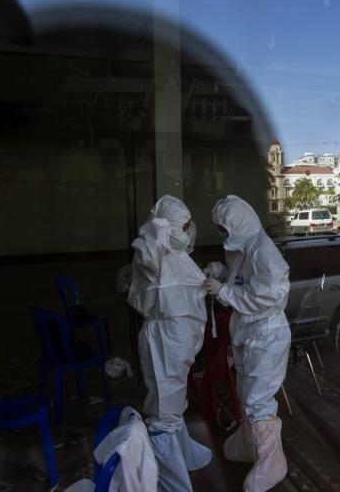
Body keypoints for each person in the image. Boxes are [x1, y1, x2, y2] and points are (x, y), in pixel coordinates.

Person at [205, 195, 291, 492]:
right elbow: (238, 278)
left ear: (238, 225)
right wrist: (218, 274)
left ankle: (272, 463)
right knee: (245, 393)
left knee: (258, 400)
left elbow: (268, 296)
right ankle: (248, 444)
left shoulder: (266, 254)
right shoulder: (241, 246)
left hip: (266, 334)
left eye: (224, 228)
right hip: (247, 330)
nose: (222, 234)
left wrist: (224, 293)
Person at [127, 195, 211, 492]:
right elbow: (149, 255)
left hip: (177, 340)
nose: (187, 232)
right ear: (166, 227)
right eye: (182, 226)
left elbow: (185, 282)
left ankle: (182, 456)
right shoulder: (152, 252)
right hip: (165, 340)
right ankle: (171, 482)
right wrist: (158, 228)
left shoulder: (175, 254)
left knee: (174, 400)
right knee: (164, 407)